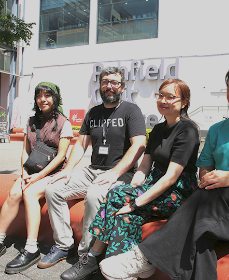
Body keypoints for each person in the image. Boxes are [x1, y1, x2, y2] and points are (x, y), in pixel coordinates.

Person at [99, 59, 229, 280]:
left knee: (216, 195)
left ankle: (144, 257)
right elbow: (204, 169)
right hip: (217, 207)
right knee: (200, 238)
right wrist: (208, 177)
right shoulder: (216, 130)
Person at [60, 78, 200, 280]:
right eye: (160, 95)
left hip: (177, 192)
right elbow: (144, 165)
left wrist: (134, 201)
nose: (163, 100)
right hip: (154, 184)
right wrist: (134, 186)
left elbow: (171, 178)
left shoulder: (187, 130)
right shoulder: (158, 129)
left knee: (118, 195)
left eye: (171, 97)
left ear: (184, 102)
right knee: (125, 214)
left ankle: (93, 257)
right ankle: (120, 269)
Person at [38, 66, 146, 269]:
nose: (109, 86)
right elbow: (80, 144)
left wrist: (115, 173)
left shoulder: (131, 110)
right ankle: (64, 245)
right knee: (53, 189)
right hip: (93, 170)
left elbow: (139, 144)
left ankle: (87, 255)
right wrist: (67, 170)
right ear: (100, 85)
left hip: (121, 173)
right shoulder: (93, 112)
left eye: (114, 82)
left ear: (122, 87)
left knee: (95, 195)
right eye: (105, 82)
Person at [0, 82, 73, 274]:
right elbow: (25, 150)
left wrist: (38, 177)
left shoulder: (64, 123)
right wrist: (25, 173)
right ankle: (0, 240)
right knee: (14, 193)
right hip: (31, 171)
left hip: (53, 173)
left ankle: (31, 249)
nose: (43, 99)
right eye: (39, 95)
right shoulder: (31, 120)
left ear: (55, 98)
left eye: (47, 95)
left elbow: (61, 156)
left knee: (30, 193)